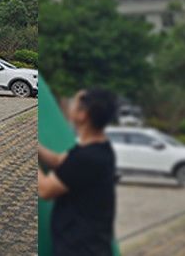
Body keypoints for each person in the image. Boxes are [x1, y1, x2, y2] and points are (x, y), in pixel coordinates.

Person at [38, 87, 118, 255]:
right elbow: (59, 161)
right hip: (91, 244)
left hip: (80, 248)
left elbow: (45, 190)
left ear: (84, 115)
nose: (70, 106)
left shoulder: (87, 158)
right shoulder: (100, 148)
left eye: (74, 103)